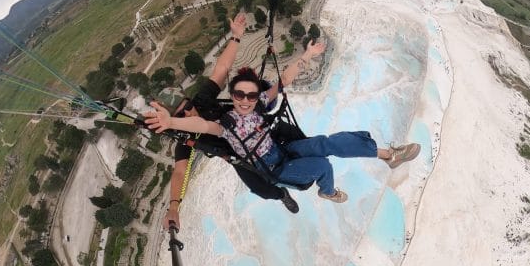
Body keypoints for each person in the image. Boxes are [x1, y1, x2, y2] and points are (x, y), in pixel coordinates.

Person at [146, 41, 421, 204]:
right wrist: (171, 122)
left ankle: (387, 155)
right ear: (232, 96)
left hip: (283, 147)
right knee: (321, 166)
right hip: (269, 166)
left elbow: (282, 82)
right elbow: (202, 128)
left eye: (250, 95)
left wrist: (307, 55)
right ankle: (327, 192)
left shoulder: (254, 104)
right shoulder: (226, 124)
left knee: (328, 143)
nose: (244, 100)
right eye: (239, 94)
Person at [159, 13, 299, 230]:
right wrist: (174, 207)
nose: (187, 115)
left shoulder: (202, 99)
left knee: (290, 134)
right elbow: (179, 172)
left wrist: (236, 37)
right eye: (179, 117)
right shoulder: (185, 138)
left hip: (249, 122)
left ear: (188, 100)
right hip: (236, 154)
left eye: (186, 107)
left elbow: (222, 69)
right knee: (261, 189)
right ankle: (281, 194)